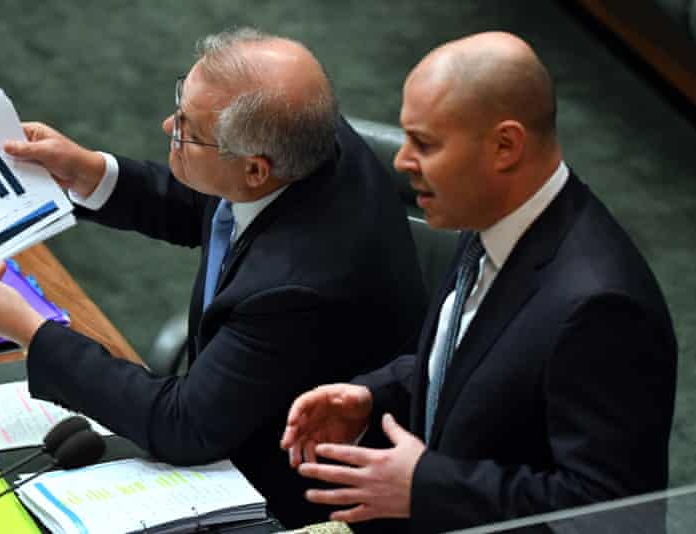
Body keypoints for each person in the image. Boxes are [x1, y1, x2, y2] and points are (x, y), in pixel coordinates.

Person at [0, 28, 428, 527]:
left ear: (257, 169)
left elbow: (183, 427)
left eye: (186, 131)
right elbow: (213, 198)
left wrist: (30, 330)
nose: (167, 123)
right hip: (242, 404)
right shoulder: (300, 130)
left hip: (288, 493)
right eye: (181, 104)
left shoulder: (296, 286)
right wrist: (89, 172)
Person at [280, 31, 678, 533]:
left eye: (424, 143)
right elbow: (479, 361)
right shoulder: (489, 218)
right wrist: (375, 396)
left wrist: (427, 487)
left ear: (505, 146)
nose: (402, 161)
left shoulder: (603, 306)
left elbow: (611, 517)